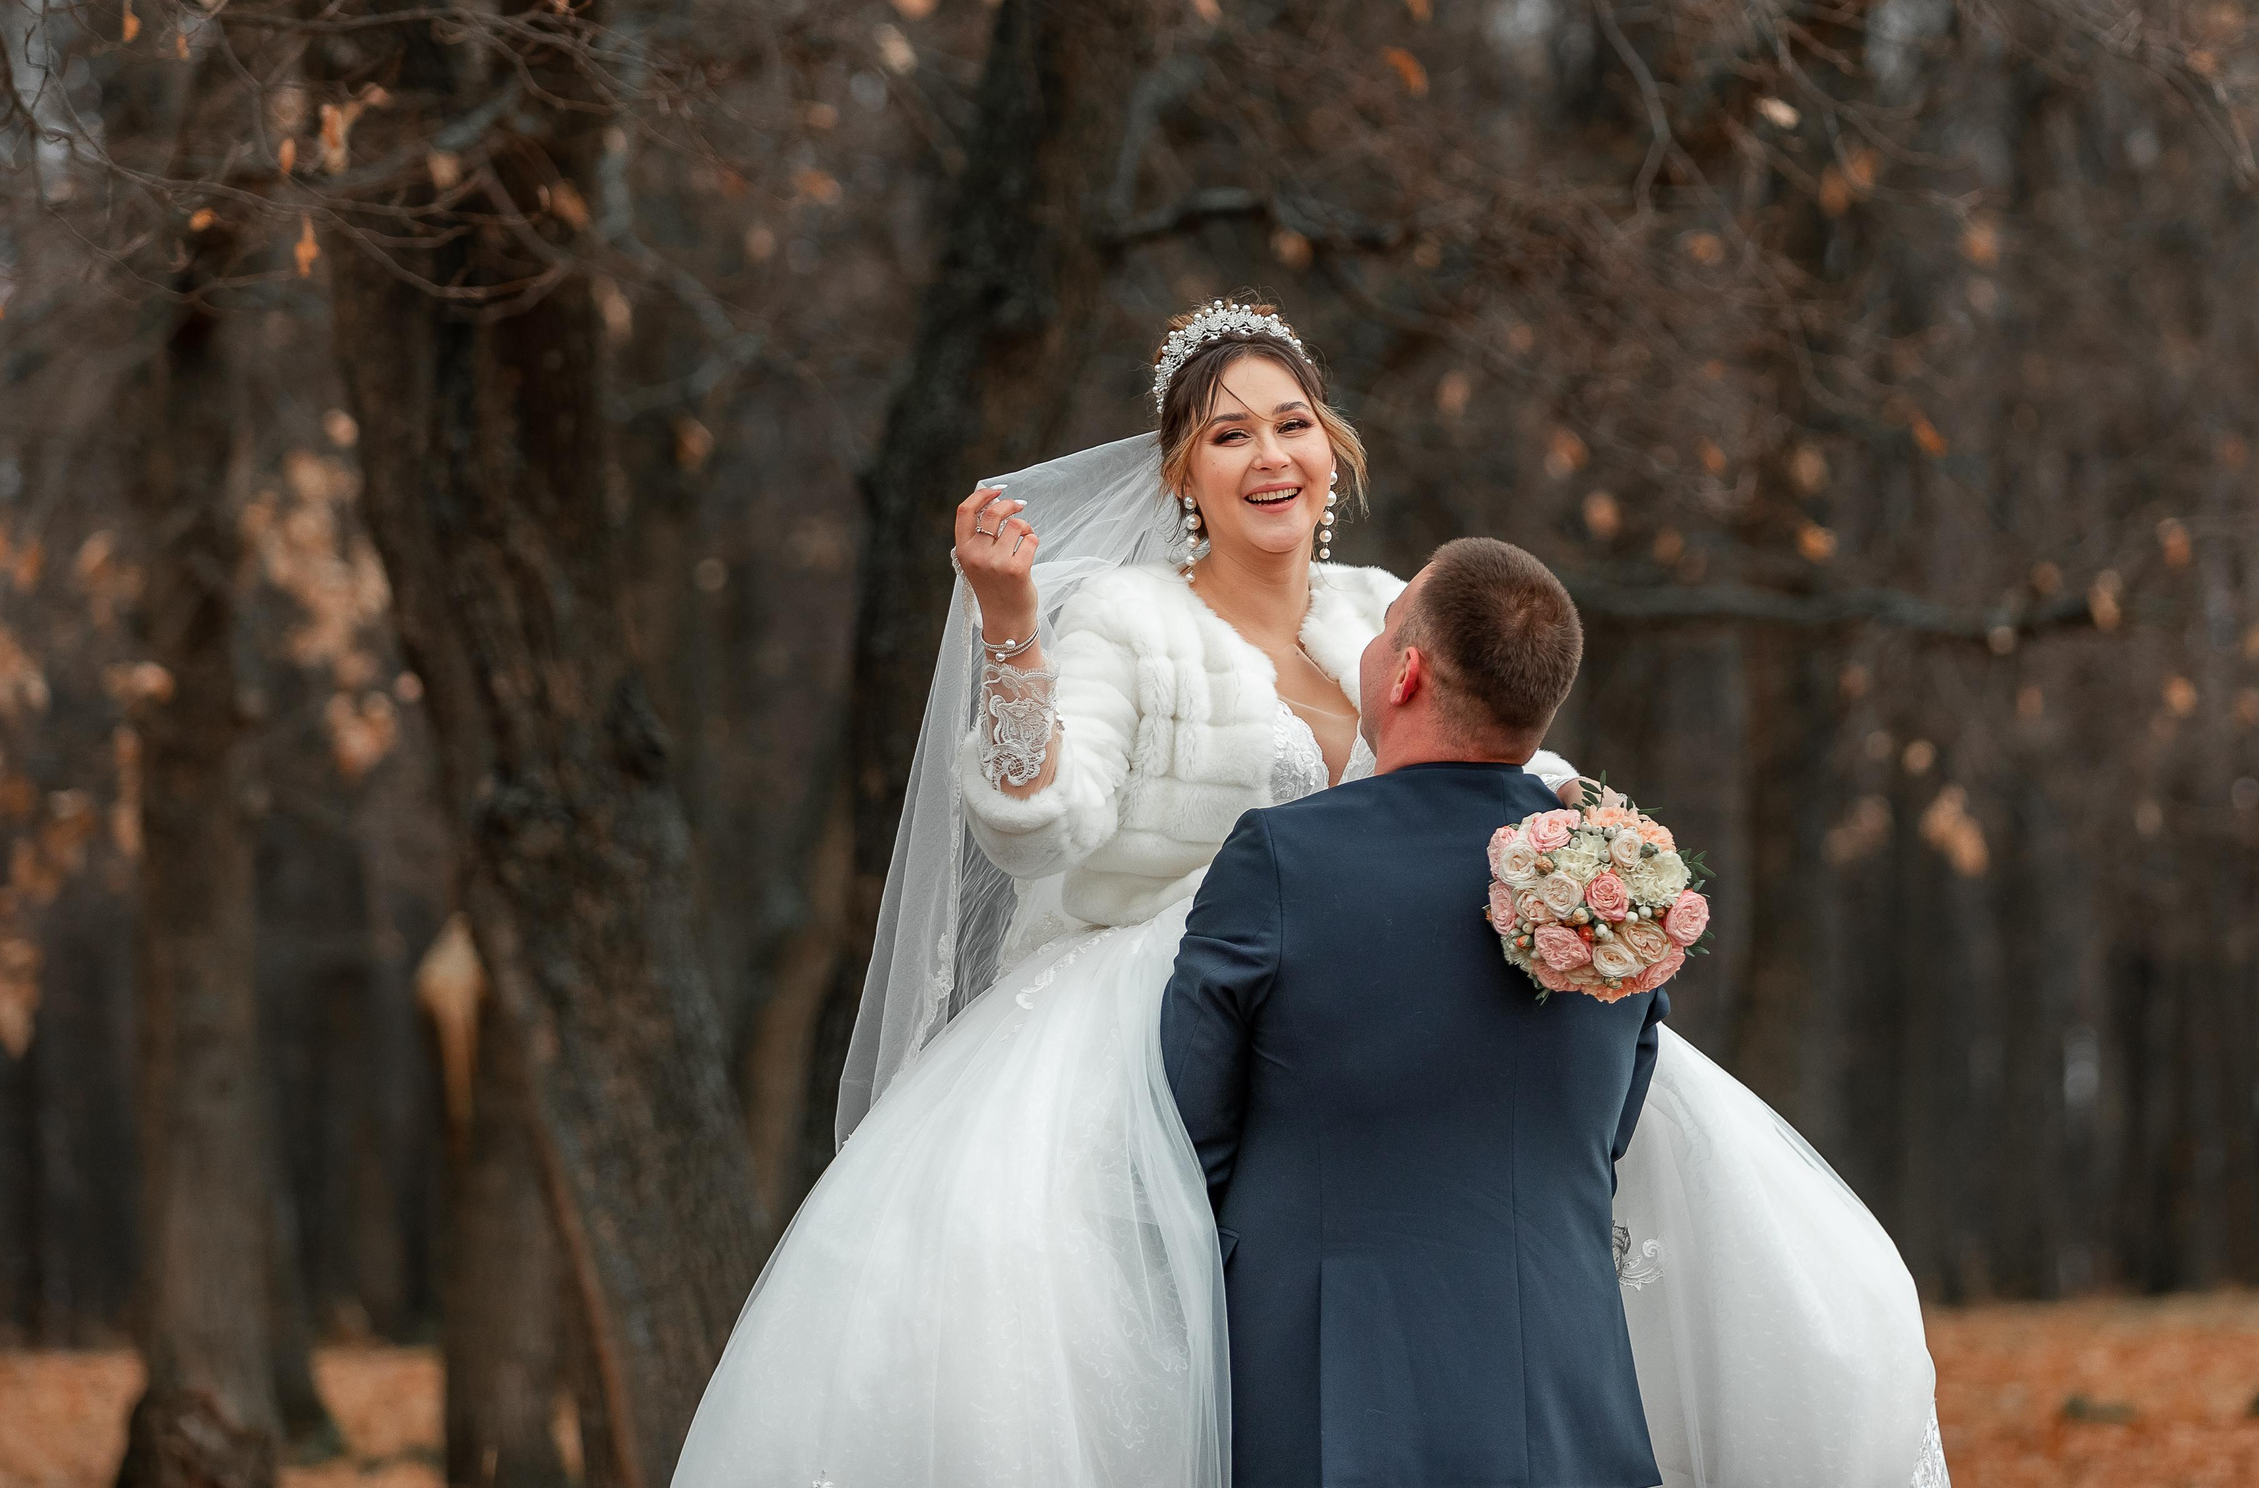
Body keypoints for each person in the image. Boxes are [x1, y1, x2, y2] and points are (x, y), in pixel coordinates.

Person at [672, 299, 1949, 1488]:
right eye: (1228, 434)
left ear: (1330, 448)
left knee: (1695, 1184)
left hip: (1385, 1005)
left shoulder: (1379, 608)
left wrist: (1598, 856)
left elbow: (1501, 771)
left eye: (1290, 424)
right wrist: (1012, 625)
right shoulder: (1127, 619)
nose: (1268, 455)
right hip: (1164, 1004)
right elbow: (1039, 826)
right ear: (1181, 472)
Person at [1163, 539, 1668, 1487]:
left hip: (1329, 1376)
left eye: (1387, 625)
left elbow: (1185, 1124)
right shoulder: (1623, 882)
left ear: (1405, 672)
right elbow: (1609, 1123)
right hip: (1562, 1379)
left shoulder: (1281, 857)